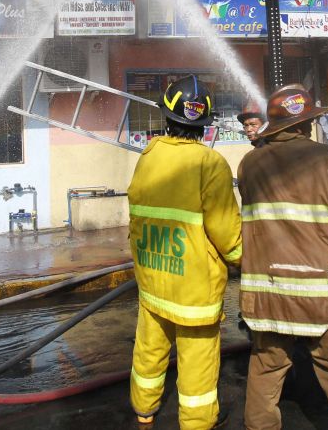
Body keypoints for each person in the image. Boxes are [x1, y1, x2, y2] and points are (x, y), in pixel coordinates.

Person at [238, 84, 328, 430]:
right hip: (325, 295)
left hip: (268, 295)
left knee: (265, 374)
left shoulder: (249, 164)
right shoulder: (323, 158)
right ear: (303, 125)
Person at [127, 75, 243, 428]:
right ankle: (197, 421)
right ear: (204, 126)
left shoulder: (148, 155)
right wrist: (242, 259)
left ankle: (144, 409)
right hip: (193, 285)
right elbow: (225, 228)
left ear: (167, 116)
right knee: (197, 359)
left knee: (149, 347)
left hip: (152, 275)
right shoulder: (209, 163)